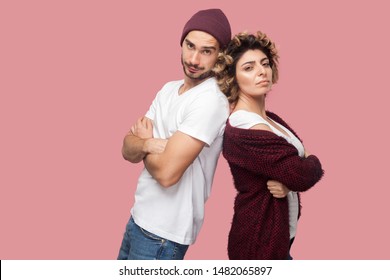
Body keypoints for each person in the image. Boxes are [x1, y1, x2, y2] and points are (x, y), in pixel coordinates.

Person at [117, 9, 231, 260]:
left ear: (220, 56)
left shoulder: (210, 100)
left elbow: (168, 174)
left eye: (206, 51)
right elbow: (127, 148)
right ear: (181, 44)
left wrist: (143, 145)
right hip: (138, 217)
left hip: (163, 235)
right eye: (190, 46)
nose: (194, 59)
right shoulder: (168, 90)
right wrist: (153, 143)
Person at [214, 31, 324, 259]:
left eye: (265, 63)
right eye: (249, 67)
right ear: (233, 78)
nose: (261, 71)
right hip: (257, 243)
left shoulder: (271, 120)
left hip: (280, 240)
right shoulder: (243, 126)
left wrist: (290, 181)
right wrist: (308, 163)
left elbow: (294, 172)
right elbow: (300, 173)